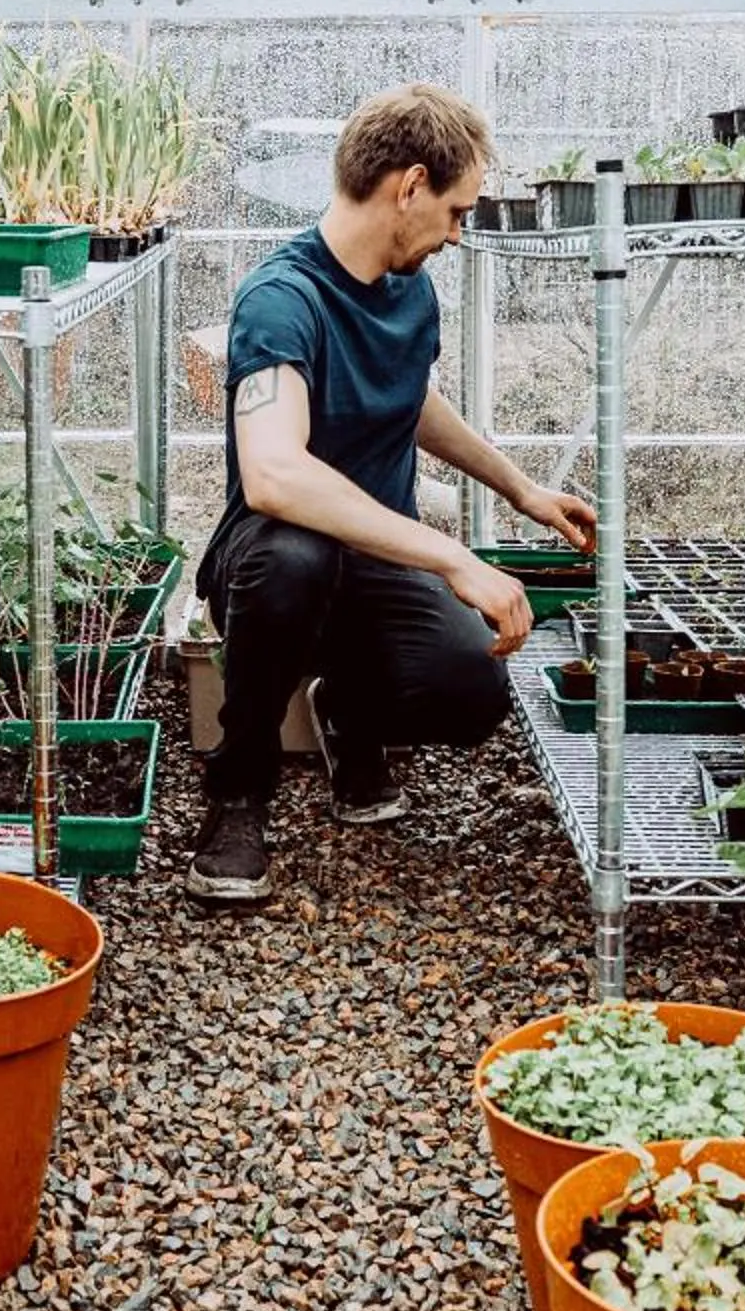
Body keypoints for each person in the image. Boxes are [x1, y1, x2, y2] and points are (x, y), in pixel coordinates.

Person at [186, 82, 596, 904]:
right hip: (269, 560)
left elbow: (411, 398)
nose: (457, 231)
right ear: (409, 186)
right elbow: (273, 474)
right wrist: (454, 558)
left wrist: (520, 490)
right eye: (455, 210)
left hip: (375, 556)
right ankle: (239, 792)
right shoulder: (281, 301)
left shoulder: (410, 288)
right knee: (294, 559)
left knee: (472, 689)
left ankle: (348, 711)